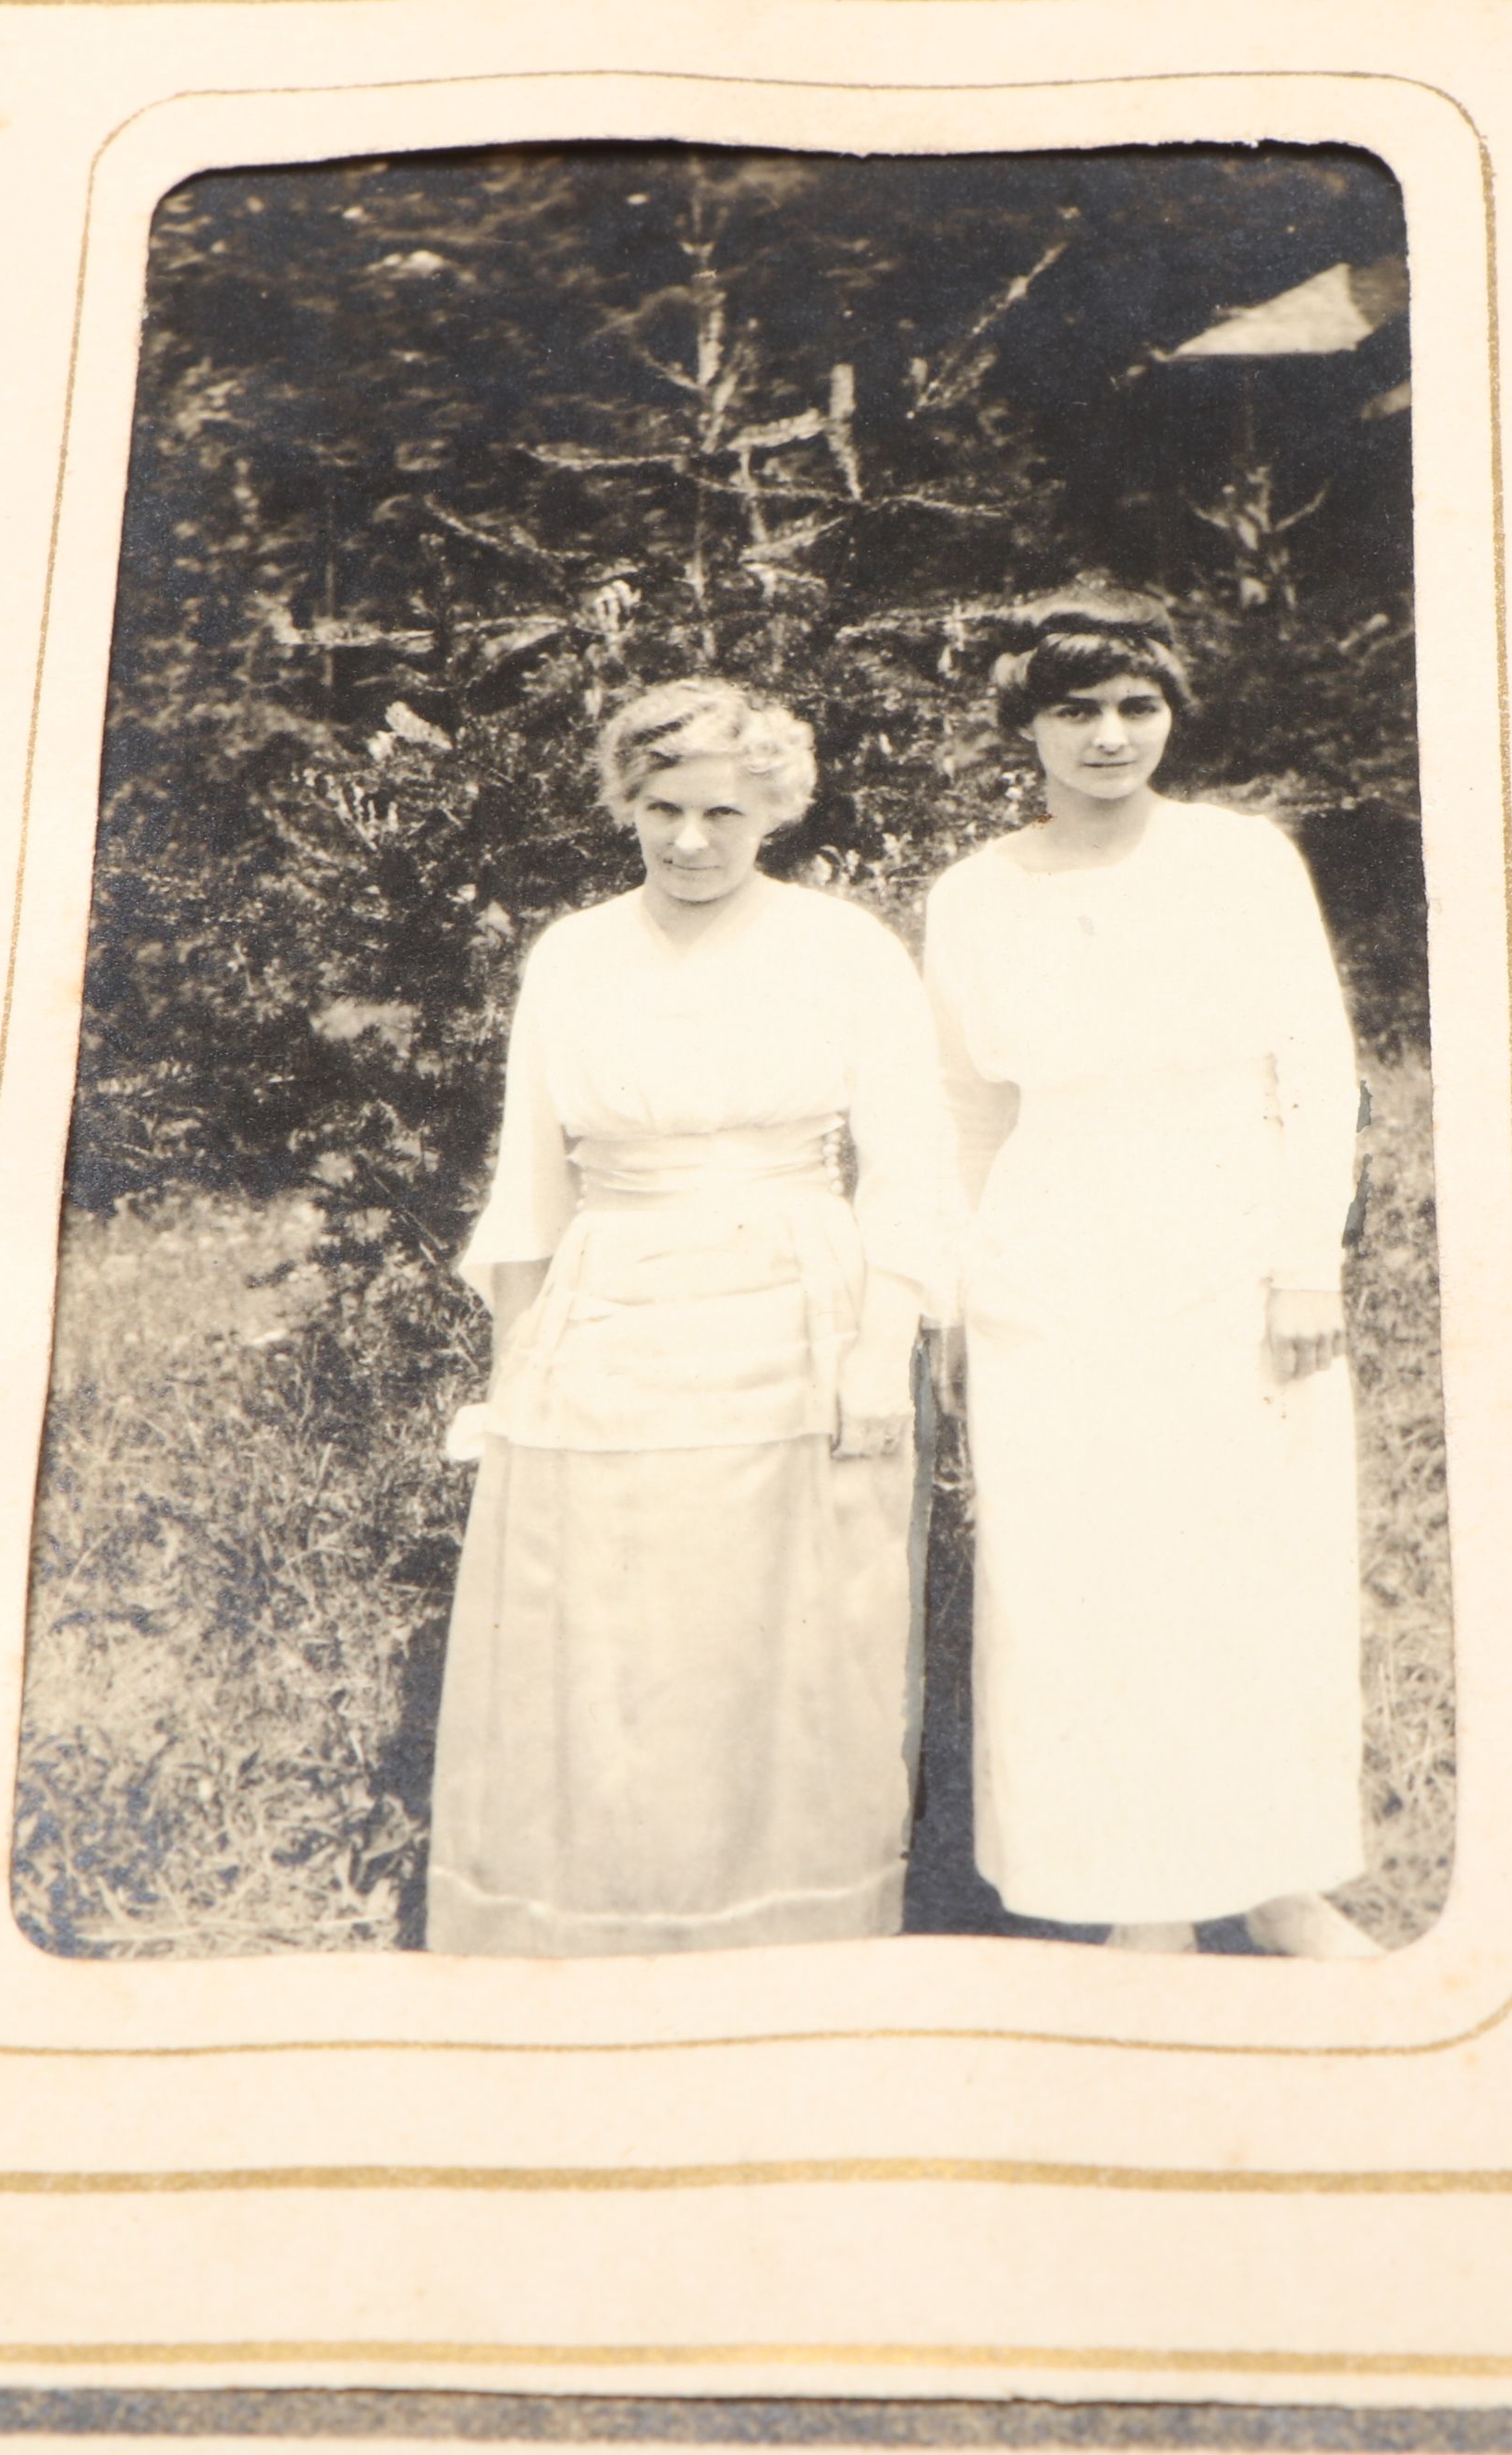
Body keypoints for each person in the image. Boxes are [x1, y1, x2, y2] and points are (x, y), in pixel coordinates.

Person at [425, 678, 956, 1957]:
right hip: (610, 1314)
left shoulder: (843, 948)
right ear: (626, 804)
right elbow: (532, 1180)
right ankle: (595, 1938)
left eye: (724, 811)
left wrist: (879, 1356)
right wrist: (511, 1378)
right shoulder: (574, 954)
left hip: (798, 1318)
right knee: (604, 1643)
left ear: (776, 809)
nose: (692, 839)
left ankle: (780, 1947)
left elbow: (912, 1168)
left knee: (781, 1646)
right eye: (663, 808)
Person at [922, 597, 1379, 1957]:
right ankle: (1140, 1897)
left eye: (1137, 706)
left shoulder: (1242, 861)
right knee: (1083, 1575)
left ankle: (1279, 1880)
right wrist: (957, 1294)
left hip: (1229, 1247)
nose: (1110, 736)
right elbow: (963, 1109)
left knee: (1252, 1563)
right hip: (1051, 1261)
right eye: (1076, 710)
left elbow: (1317, 1069)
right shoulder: (975, 892)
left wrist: (1304, 1263)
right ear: (1026, 726)